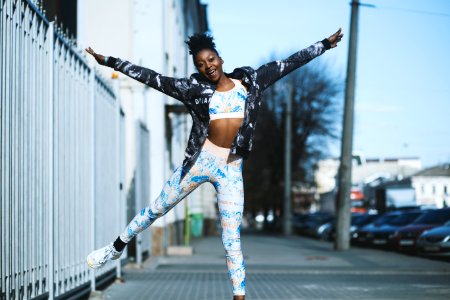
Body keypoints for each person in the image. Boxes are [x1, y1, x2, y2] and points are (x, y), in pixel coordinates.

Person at [85, 29, 343, 300]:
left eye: (211, 60)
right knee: (156, 209)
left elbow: (289, 63)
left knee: (231, 239)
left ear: (220, 58)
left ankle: (239, 297)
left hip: (231, 168)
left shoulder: (251, 82)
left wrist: (324, 45)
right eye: (201, 64)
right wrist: (111, 61)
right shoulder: (193, 89)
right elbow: (154, 78)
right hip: (200, 160)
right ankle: (114, 248)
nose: (208, 66)